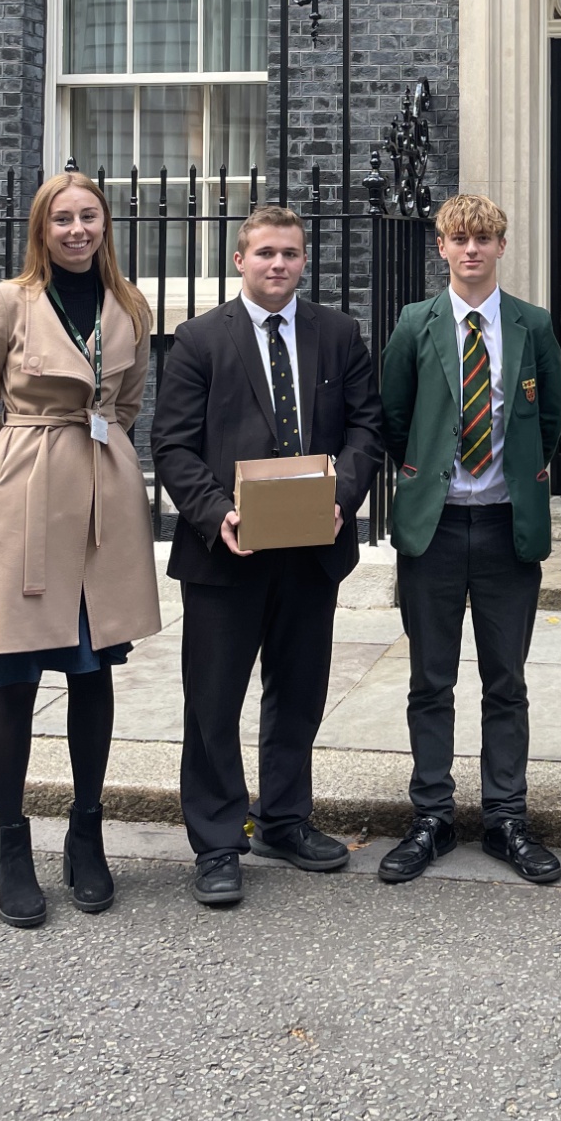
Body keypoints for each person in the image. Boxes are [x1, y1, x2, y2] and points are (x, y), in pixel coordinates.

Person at [151, 205, 384, 909]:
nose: (278, 264)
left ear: (303, 260)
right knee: (214, 702)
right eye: (265, 254)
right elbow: (173, 446)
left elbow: (366, 425)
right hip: (228, 554)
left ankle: (285, 819)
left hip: (312, 549)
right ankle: (219, 842)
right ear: (239, 261)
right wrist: (217, 511)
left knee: (299, 693)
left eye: (289, 253)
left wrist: (343, 495)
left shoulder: (338, 334)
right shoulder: (198, 340)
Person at [0, 171, 160, 929]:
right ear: (41, 230)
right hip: (29, 494)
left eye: (89, 217)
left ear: (106, 224)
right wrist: (12, 473)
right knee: (11, 675)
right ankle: (12, 843)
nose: (77, 229)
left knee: (92, 666)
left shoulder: (129, 305)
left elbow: (128, 400)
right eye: (62, 219)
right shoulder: (9, 301)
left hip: (103, 495)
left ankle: (86, 833)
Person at [378, 194, 561, 885]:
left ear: (501, 246)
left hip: (503, 526)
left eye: (484, 238)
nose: (471, 250)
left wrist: (518, 470)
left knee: (505, 680)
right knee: (430, 680)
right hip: (433, 526)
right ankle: (430, 815)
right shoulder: (415, 324)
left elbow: (551, 419)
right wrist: (424, 473)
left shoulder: (532, 325)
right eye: (459, 238)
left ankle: (505, 817)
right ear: (441, 247)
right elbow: (394, 414)